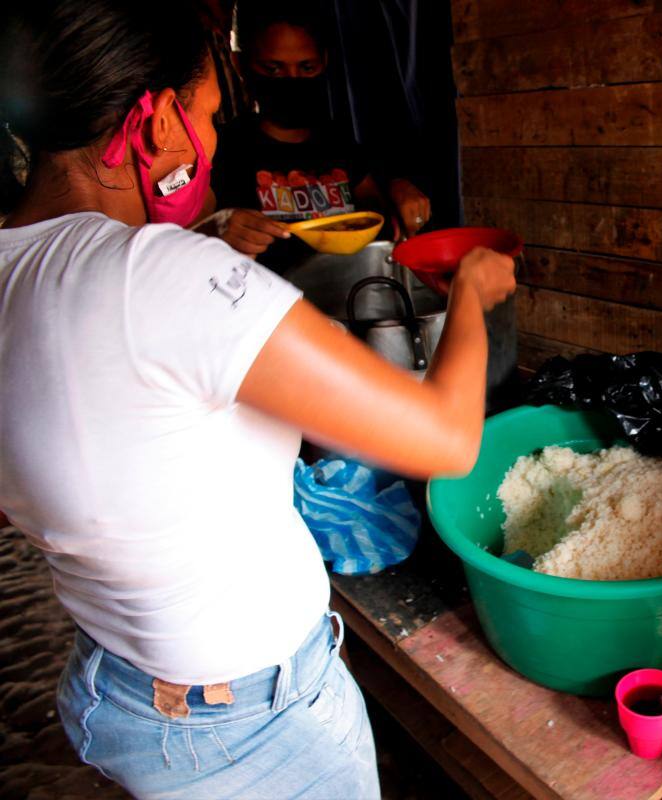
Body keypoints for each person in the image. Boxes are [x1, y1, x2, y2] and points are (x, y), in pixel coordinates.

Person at [0, 2, 513, 797]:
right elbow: (448, 440)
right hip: (248, 728)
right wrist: (474, 290)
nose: (206, 149)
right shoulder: (157, 273)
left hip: (119, 688)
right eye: (206, 116)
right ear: (153, 122)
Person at [201, 0, 431, 272]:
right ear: (240, 64)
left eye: (306, 68)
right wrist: (215, 229)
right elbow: (179, 242)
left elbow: (377, 215)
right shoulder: (222, 149)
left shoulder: (340, 142)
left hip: (348, 301)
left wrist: (400, 193)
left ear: (324, 61)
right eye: (273, 69)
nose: (291, 80)